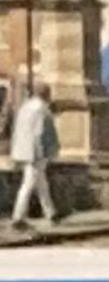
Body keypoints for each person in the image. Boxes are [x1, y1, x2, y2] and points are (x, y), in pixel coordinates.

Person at [11, 79, 60, 230]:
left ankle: (51, 213)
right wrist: (43, 152)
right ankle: (18, 217)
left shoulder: (25, 107)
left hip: (24, 150)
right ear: (45, 93)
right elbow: (39, 133)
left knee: (41, 182)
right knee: (29, 183)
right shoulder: (42, 109)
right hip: (36, 152)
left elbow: (18, 130)